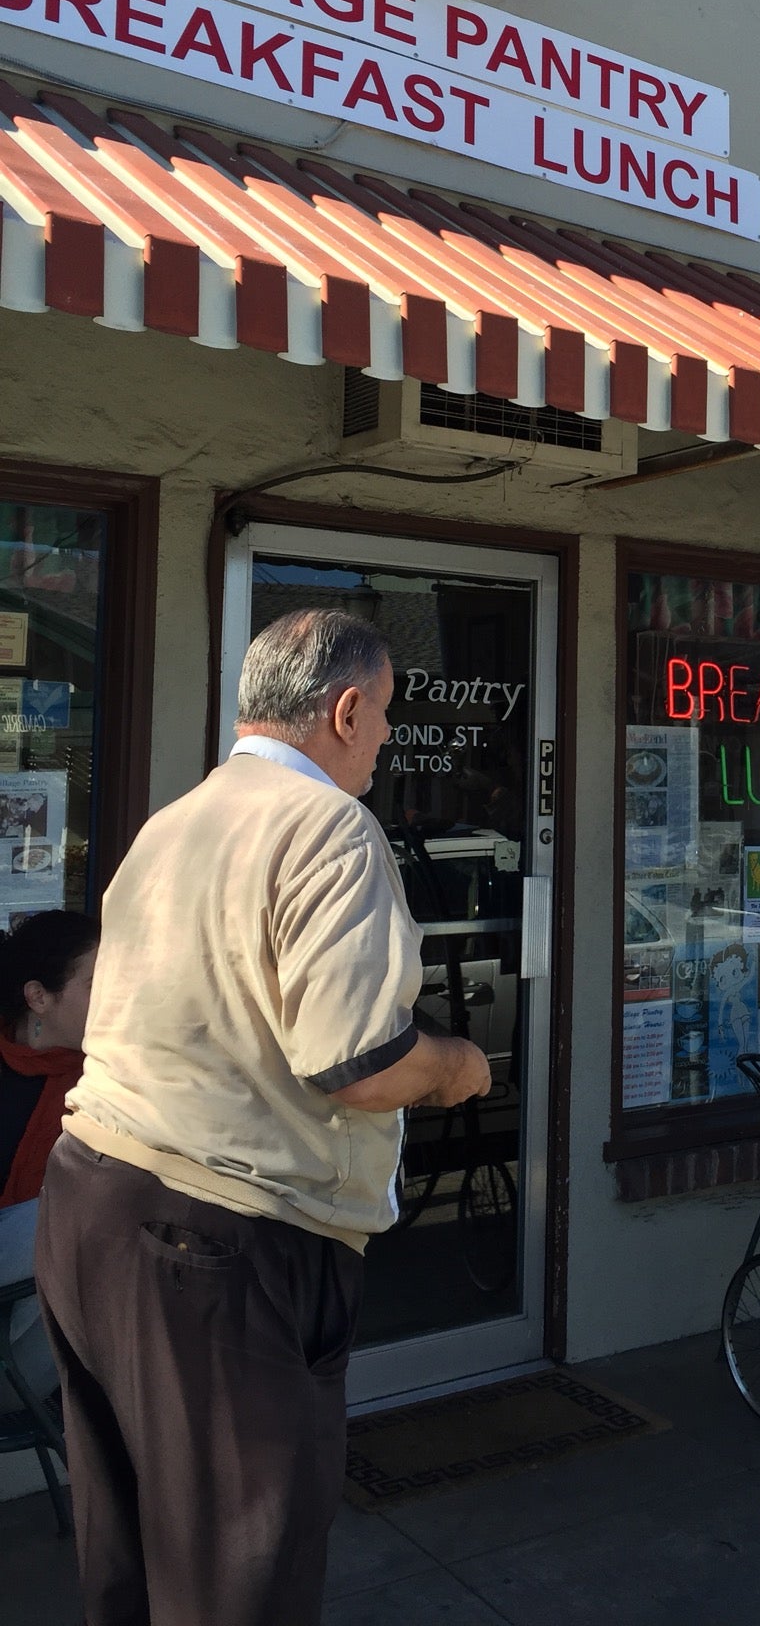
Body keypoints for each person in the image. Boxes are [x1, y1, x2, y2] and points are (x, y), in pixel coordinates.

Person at [35, 610, 492, 1626]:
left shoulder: (174, 821)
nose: (382, 741)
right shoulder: (329, 826)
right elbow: (357, 1066)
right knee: (241, 1575)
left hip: (89, 1203)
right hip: (218, 1239)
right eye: (382, 717)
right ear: (343, 708)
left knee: (132, 1560)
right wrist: (459, 1064)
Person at [0, 910, 98, 1409]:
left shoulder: (115, 1080)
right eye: (96, 983)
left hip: (40, 1344)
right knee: (76, 1206)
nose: (116, 1000)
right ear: (38, 997)